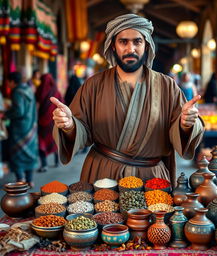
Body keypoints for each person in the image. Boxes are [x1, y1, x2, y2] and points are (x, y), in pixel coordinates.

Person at [50, 14, 204, 187]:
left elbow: (181, 130)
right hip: (103, 176)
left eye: (137, 41)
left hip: (151, 179)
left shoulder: (166, 85)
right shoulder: (94, 85)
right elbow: (81, 130)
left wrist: (186, 123)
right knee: (101, 215)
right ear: (113, 46)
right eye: (123, 42)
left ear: (146, 46)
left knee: (156, 215)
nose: (130, 49)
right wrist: (69, 125)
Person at [5, 71, 38, 187]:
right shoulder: (28, 89)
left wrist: (6, 114)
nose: (7, 84)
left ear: (12, 82)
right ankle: (30, 180)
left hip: (20, 129)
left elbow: (19, 111)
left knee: (17, 153)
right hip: (31, 127)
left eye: (8, 82)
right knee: (30, 153)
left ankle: (21, 180)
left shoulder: (17, 92)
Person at [36, 73, 62, 172]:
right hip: (54, 121)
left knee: (42, 142)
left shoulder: (40, 90)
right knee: (54, 141)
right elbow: (61, 103)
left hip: (42, 121)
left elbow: (36, 102)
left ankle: (44, 165)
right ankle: (57, 162)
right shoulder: (56, 91)